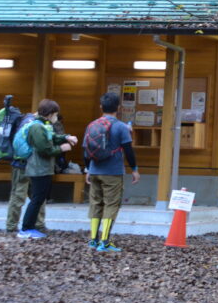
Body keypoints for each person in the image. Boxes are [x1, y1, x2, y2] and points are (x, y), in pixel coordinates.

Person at [85, 91, 139, 252]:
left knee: (96, 203)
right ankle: (105, 241)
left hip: (94, 171)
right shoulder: (121, 127)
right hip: (113, 173)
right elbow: (128, 151)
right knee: (111, 204)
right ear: (118, 108)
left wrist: (87, 168)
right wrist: (134, 169)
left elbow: (85, 150)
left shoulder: (92, 125)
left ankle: (93, 240)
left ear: (101, 107)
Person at [18, 99, 76, 239]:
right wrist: (61, 148)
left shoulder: (43, 125)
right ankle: (26, 228)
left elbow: (52, 137)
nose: (56, 116)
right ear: (50, 113)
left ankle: (29, 227)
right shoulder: (37, 127)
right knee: (37, 198)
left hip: (42, 168)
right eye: (55, 113)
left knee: (39, 198)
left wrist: (65, 137)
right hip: (38, 169)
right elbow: (44, 149)